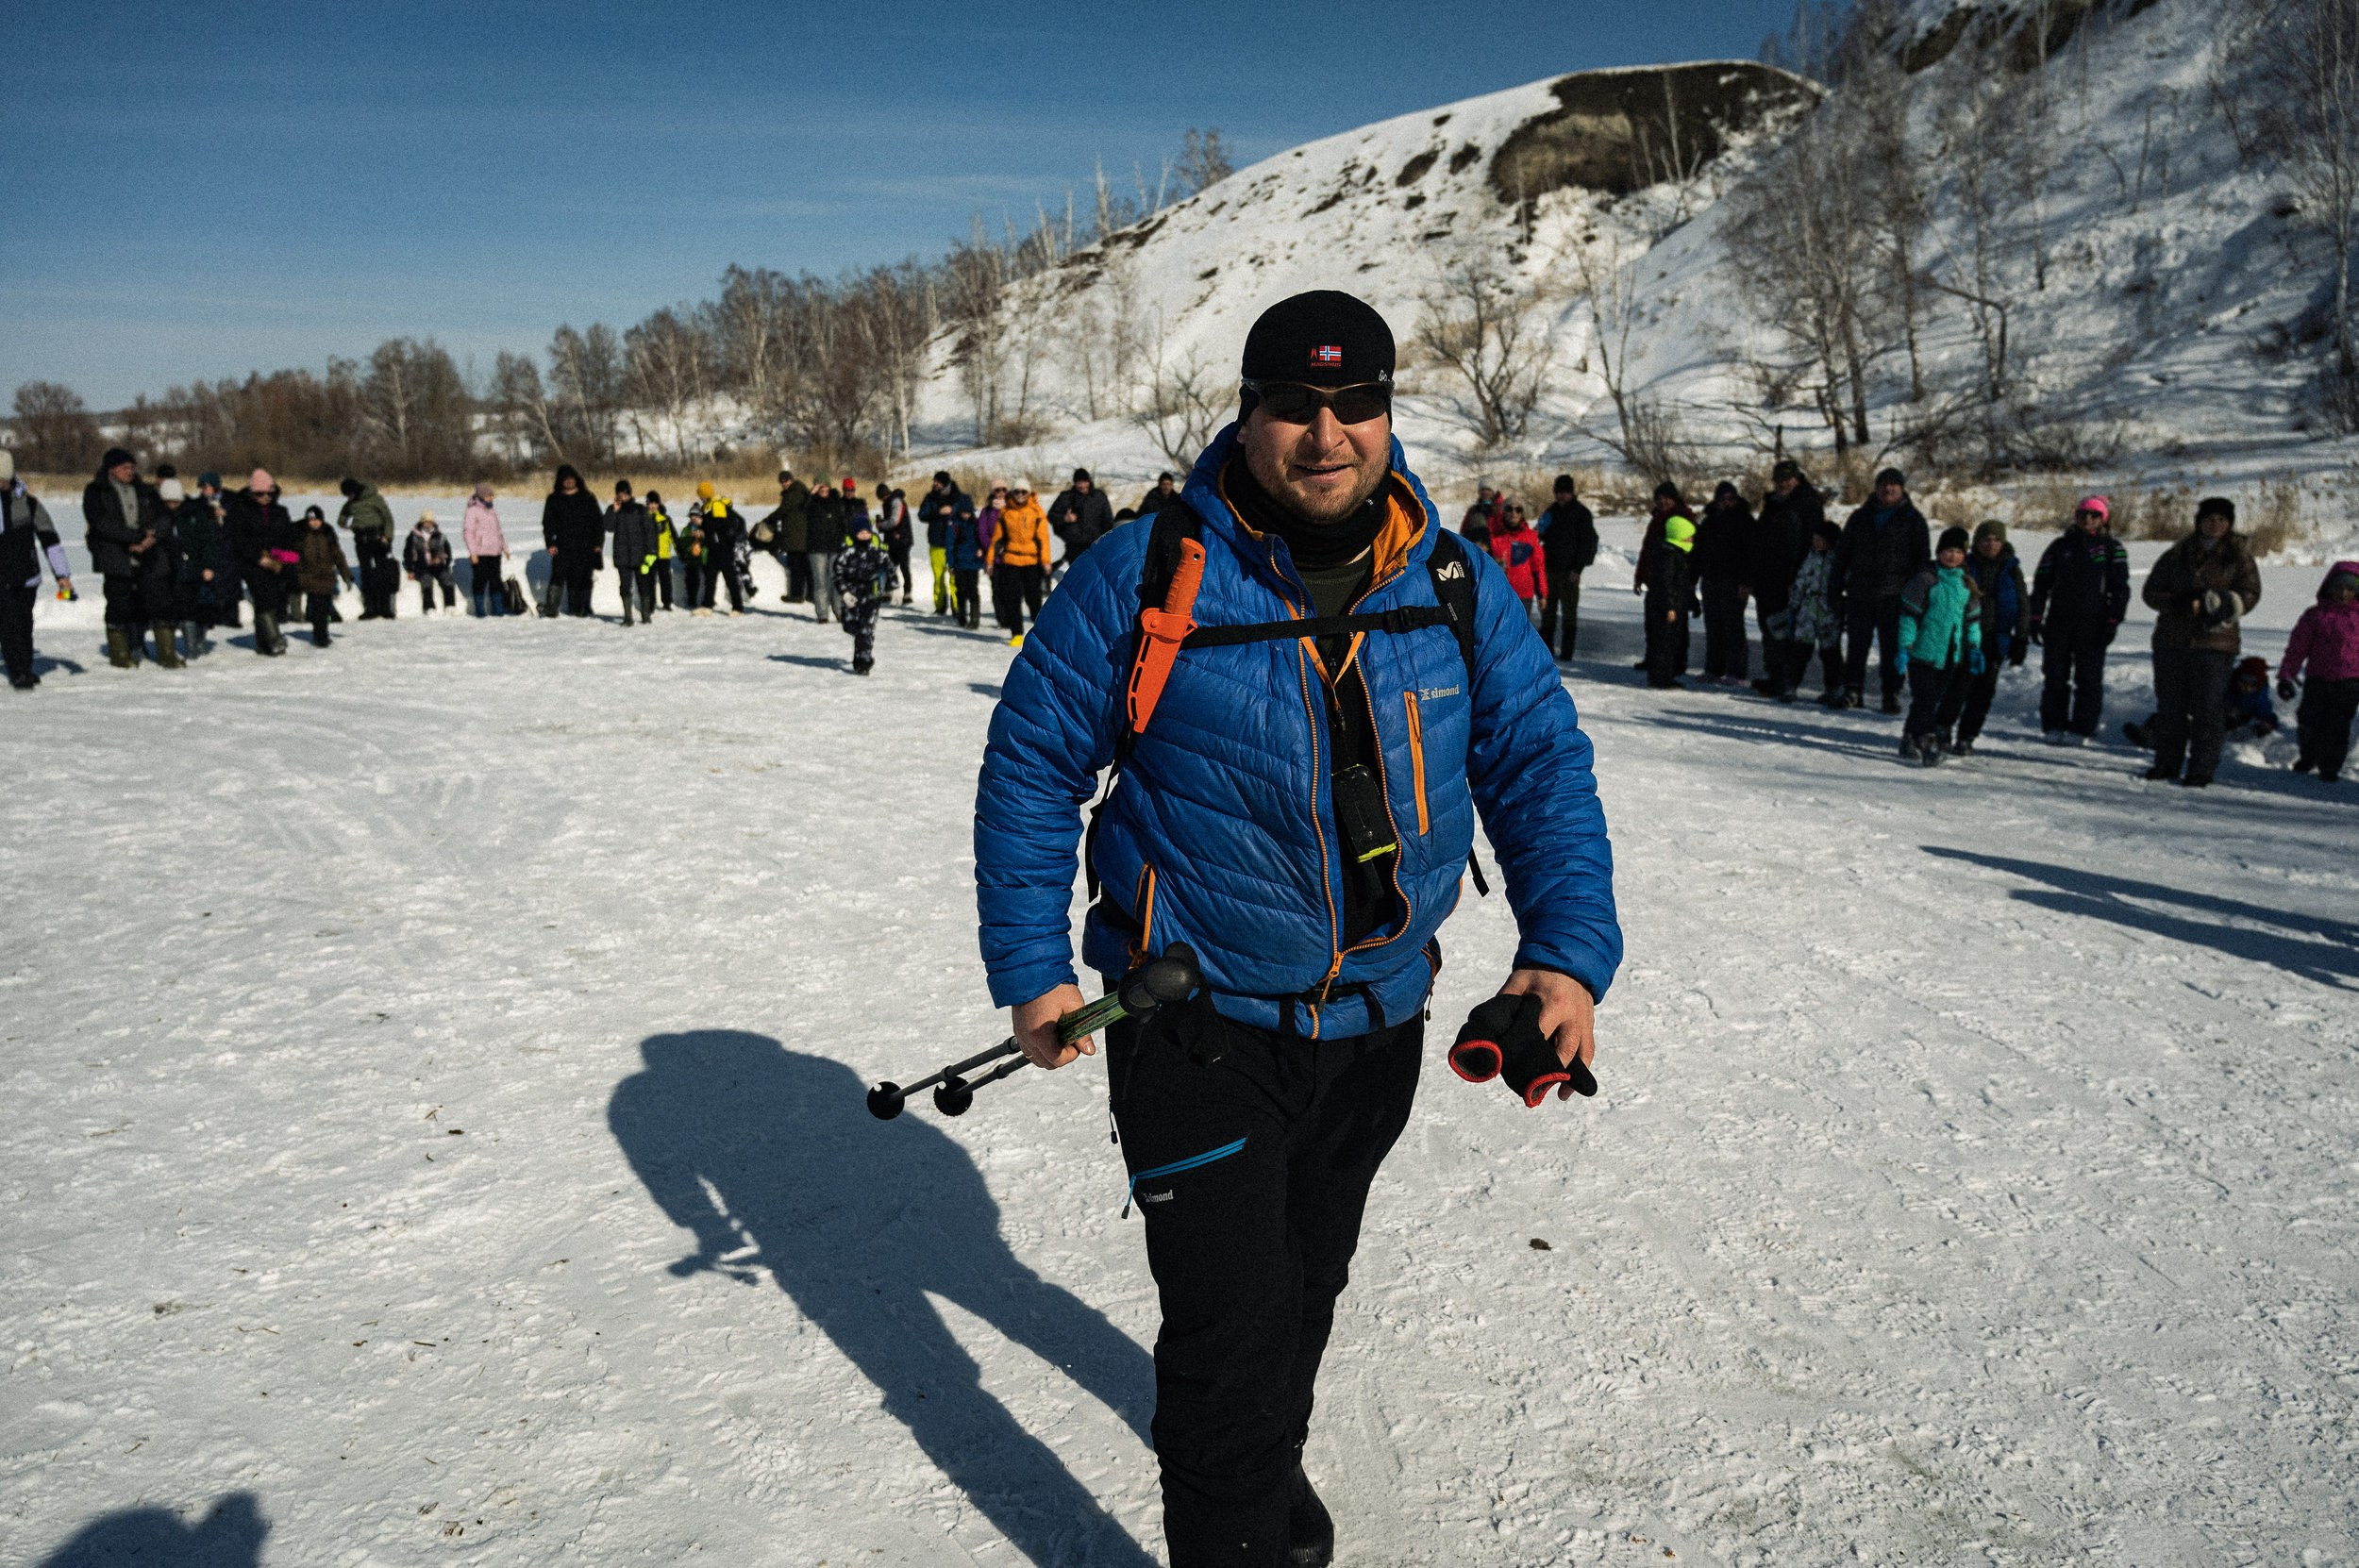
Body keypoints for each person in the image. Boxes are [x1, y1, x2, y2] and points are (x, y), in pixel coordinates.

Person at [973, 290, 1618, 1568]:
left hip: (1377, 1022)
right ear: (1249, 414)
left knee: (1303, 1290)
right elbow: (1032, 765)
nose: (1327, 434)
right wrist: (1033, 967)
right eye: (1293, 405)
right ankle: (1244, 1514)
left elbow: (1539, 758)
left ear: (1387, 412)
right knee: (1229, 1335)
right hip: (1194, 1023)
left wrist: (1563, 948)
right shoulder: (1145, 573)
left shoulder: (1452, 577)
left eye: (1356, 403)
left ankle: (1260, 1479)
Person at [2141, 496, 2262, 788]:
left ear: (2229, 524)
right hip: (2172, 641)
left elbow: (2251, 594)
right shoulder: (2177, 553)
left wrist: (2221, 604)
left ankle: (2201, 769)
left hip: (2215, 644)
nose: (2215, 524)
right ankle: (2166, 763)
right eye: (2210, 519)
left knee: (2209, 709)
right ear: (2199, 522)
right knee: (2171, 706)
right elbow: (2150, 592)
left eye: (2222, 520)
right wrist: (2177, 602)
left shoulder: (2239, 556)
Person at [2026, 495, 2131, 745]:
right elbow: (2041, 584)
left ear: (2102, 519)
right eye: (2083, 514)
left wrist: (2113, 620)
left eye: (2094, 515)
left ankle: (2082, 727)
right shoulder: (2059, 546)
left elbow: (2120, 588)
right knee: (2055, 675)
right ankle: (2053, 724)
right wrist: (2035, 617)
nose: (2087, 519)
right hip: (2059, 620)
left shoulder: (2112, 548)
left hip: (2093, 622)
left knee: (2089, 678)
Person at [1831, 467, 1932, 713]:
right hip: (1860, 592)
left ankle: (1891, 693)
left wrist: (1918, 597)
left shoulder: (1913, 519)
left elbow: (1922, 561)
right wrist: (1835, 587)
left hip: (1896, 595)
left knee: (1892, 648)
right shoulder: (1859, 517)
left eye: (1893, 485)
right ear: (1876, 487)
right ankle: (1853, 689)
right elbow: (1842, 555)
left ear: (1901, 488)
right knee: (1857, 645)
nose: (1888, 489)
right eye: (1883, 484)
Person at [1895, 526, 1985, 766]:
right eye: (1948, 551)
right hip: (1922, 652)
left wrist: (1974, 648)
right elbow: (1909, 615)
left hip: (1949, 656)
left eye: (1958, 551)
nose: (1952, 556)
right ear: (1939, 552)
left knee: (1930, 700)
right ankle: (1927, 741)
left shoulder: (1967, 585)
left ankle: (1909, 738)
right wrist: (1905, 646)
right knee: (1925, 699)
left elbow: (1973, 621)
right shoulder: (1926, 579)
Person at [1947, 521, 2028, 756]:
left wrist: (2020, 638)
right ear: (1977, 542)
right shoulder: (1967, 566)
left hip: (1997, 639)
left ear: (2003, 543)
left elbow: (2023, 604)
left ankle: (1967, 736)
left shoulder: (2012, 568)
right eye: (1985, 539)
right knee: (1959, 687)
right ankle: (1942, 729)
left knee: (1983, 692)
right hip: (1967, 637)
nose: (1990, 544)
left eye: (1995, 540)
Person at [83, 446, 165, 670]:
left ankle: (138, 644)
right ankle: (120, 651)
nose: (130, 471)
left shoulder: (144, 490)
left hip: (146, 556)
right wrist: (133, 537)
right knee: (119, 602)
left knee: (145, 602)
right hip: (114, 556)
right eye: (125, 468)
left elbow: (164, 516)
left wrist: (152, 536)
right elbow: (100, 523)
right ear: (112, 470)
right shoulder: (96, 491)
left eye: (132, 467)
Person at [2281, 559, 2359, 782]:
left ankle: (2330, 766)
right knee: (2308, 718)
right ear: (2328, 587)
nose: (2343, 594)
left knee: (2337, 724)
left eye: (2350, 589)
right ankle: (2308, 756)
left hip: (2349, 681)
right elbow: (2297, 647)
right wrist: (2287, 674)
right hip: (2318, 677)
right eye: (2339, 588)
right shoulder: (2315, 616)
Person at [1, 450, 74, 689]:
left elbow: (50, 540)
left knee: (24, 624)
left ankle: (25, 667)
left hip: (27, 576)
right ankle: (18, 672)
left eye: (4, 478)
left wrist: (62, 575)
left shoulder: (29, 504)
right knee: (9, 625)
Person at [1765, 519, 1844, 703]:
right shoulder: (1810, 557)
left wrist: (1840, 606)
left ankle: (1835, 689)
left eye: (1820, 539)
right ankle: (1790, 686)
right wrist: (1793, 606)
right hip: (1807, 612)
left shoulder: (1838, 561)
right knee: (1799, 651)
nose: (1816, 542)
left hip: (1828, 613)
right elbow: (1800, 583)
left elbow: (1844, 586)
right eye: (1814, 539)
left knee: (1830, 653)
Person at [1693, 480, 1756, 686]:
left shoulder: (1745, 521)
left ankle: (1736, 672)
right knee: (1713, 626)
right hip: (1711, 579)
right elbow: (1699, 552)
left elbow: (1751, 555)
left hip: (1734, 581)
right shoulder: (1709, 521)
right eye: (1723, 499)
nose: (1727, 503)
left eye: (1731, 499)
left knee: (1733, 626)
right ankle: (1713, 668)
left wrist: (1747, 582)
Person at [1634, 481, 1696, 690]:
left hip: (1676, 586)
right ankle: (1658, 667)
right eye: (1659, 499)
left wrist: (1689, 590)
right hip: (1660, 586)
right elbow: (1646, 551)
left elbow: (1692, 555)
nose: (1662, 502)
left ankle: (1673, 667)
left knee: (1673, 632)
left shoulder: (1683, 518)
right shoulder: (1657, 521)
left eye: (1666, 498)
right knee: (1658, 630)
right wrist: (1640, 576)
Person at [226, 470, 295, 656]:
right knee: (263, 595)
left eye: (269, 494)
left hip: (276, 561)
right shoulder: (240, 510)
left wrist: (283, 556)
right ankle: (274, 639)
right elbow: (238, 539)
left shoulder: (280, 512)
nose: (265, 497)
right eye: (259, 494)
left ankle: (262, 643)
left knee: (271, 597)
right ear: (251, 492)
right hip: (250, 562)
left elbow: (288, 537)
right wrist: (258, 557)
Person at [164, 475, 228, 659]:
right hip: (176, 571)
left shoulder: (194, 514)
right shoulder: (162, 516)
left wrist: (208, 565)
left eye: (176, 500)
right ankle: (191, 645)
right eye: (169, 501)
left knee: (203, 606)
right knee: (184, 609)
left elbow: (207, 542)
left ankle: (198, 641)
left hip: (197, 568)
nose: (173, 504)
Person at [1536, 474, 1596, 660]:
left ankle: (1567, 652)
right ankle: (1547, 652)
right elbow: (1538, 536)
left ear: (1571, 493)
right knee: (1548, 613)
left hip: (1570, 572)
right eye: (1558, 492)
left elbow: (1589, 543)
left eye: (1565, 492)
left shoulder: (1581, 514)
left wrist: (1578, 568)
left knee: (1569, 614)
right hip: (1549, 571)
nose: (1561, 496)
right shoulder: (1550, 512)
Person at [989, 480, 1050, 646]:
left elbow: (1043, 539)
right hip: (1011, 560)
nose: (1021, 495)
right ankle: (1016, 632)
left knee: (1034, 598)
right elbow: (996, 538)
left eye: (1024, 492)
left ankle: (1040, 632)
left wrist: (1045, 561)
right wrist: (990, 561)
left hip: (1031, 561)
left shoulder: (1037, 512)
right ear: (1013, 493)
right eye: (1017, 492)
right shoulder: (1006, 511)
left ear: (1029, 493)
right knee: (1013, 598)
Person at [832, 517, 890, 675]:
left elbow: (888, 567)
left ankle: (864, 661)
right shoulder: (847, 551)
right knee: (850, 626)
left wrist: (895, 587)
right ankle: (862, 651)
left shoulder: (876, 550)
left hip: (871, 594)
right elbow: (837, 574)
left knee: (866, 628)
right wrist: (844, 592)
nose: (865, 535)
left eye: (867, 532)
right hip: (851, 595)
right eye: (861, 533)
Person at [337, 476, 399, 620]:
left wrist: (387, 537)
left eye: (350, 494)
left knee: (382, 572)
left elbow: (388, 518)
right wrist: (343, 523)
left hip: (378, 539)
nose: (349, 497)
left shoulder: (375, 498)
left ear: (356, 490)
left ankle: (386, 608)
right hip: (361, 540)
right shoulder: (351, 501)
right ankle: (370, 608)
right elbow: (343, 516)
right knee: (366, 573)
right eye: (347, 495)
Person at [294, 506, 354, 647]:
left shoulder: (328, 533)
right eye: (311, 520)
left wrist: (346, 575)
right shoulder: (301, 534)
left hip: (326, 577)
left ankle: (321, 631)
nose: (314, 523)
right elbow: (295, 556)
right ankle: (320, 636)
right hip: (309, 576)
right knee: (318, 606)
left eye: (317, 520)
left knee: (324, 606)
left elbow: (338, 556)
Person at [604, 480, 659, 626]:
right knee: (625, 586)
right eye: (619, 493)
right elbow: (608, 527)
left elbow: (649, 531)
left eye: (624, 493)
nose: (622, 496)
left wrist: (651, 551)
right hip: (622, 556)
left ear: (629, 493)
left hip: (639, 555)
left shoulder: (639, 509)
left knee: (643, 586)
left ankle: (646, 615)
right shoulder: (614, 509)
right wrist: (613, 511)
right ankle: (628, 617)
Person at [918, 471, 973, 614]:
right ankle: (940, 606)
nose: (935, 484)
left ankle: (957, 607)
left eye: (938, 482)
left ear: (945, 483)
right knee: (938, 577)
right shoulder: (930, 498)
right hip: (936, 543)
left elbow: (967, 514)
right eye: (934, 481)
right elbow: (922, 515)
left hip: (955, 544)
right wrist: (938, 512)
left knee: (955, 578)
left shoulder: (958, 497)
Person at [1485, 498, 1548, 621]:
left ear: (1522, 514)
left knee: (1519, 635)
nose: (1514, 513)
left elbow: (1537, 568)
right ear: (1503, 512)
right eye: (1509, 509)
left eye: (1518, 510)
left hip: (1523, 596)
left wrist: (1542, 595)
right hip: (1500, 595)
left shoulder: (1530, 537)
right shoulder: (1494, 538)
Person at [1047, 467, 1114, 578]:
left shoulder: (1099, 496)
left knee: (1095, 575)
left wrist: (1106, 541)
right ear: (1074, 483)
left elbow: (1108, 520)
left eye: (1084, 482)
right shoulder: (1066, 497)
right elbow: (1052, 515)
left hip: (1095, 543)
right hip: (1074, 545)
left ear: (1089, 481)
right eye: (1079, 482)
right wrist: (1065, 518)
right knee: (1078, 576)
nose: (1082, 485)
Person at [695, 481, 749, 615]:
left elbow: (720, 526)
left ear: (705, 494)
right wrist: (702, 531)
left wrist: (704, 525)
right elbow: (710, 527)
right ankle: (707, 605)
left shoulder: (717, 505)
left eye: (701, 495)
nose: (700, 497)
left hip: (723, 548)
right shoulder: (707, 506)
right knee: (710, 577)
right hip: (713, 547)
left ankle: (738, 607)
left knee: (729, 577)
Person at [462, 482, 510, 616]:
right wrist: (473, 552)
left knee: (496, 580)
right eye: (489, 495)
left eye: (492, 495)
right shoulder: (472, 511)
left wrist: (504, 547)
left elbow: (498, 532)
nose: (491, 497)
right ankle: (480, 610)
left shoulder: (492, 510)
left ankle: (498, 609)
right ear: (482, 496)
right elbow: (468, 532)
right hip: (480, 552)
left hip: (495, 552)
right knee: (480, 580)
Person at [804, 480, 844, 624]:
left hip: (835, 547)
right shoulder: (811, 502)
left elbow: (842, 522)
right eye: (820, 486)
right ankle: (822, 614)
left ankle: (839, 610)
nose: (823, 489)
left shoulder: (836, 501)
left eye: (825, 485)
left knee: (836, 580)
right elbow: (801, 510)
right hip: (816, 548)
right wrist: (811, 494)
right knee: (820, 581)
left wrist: (844, 541)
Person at [403, 509, 457, 614]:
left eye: (430, 522)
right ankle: (429, 607)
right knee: (426, 580)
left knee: (447, 578)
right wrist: (410, 569)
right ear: (421, 522)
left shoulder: (440, 536)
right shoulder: (413, 536)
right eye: (425, 522)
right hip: (421, 566)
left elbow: (447, 553)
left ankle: (450, 605)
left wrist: (443, 560)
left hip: (437, 565)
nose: (428, 524)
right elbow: (407, 554)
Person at [948, 492, 987, 629]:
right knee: (961, 591)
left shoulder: (976, 524)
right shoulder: (954, 526)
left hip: (973, 564)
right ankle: (962, 616)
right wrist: (951, 564)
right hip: (959, 564)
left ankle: (975, 619)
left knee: (973, 591)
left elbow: (982, 540)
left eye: (968, 512)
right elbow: (950, 546)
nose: (966, 515)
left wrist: (981, 551)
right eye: (964, 512)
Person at [876, 482, 915, 605]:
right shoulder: (889, 502)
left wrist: (881, 525)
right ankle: (888, 591)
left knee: (904, 567)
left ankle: (907, 593)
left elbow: (894, 521)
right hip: (893, 540)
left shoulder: (896, 501)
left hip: (902, 540)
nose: (882, 499)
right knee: (889, 566)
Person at [644, 490, 678, 611]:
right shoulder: (644, 518)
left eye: (654, 503)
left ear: (658, 504)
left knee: (666, 580)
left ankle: (667, 602)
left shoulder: (665, 519)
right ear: (647, 504)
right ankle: (651, 604)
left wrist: (680, 552)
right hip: (649, 556)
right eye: (650, 503)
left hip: (664, 555)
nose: (652, 506)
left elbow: (673, 536)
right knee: (650, 581)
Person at [1459, 480, 1499, 548]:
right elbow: (1464, 530)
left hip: (1494, 547)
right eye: (1483, 490)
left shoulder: (1502, 509)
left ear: (1494, 492)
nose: (1485, 492)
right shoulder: (1473, 510)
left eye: (1488, 489)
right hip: (1475, 545)